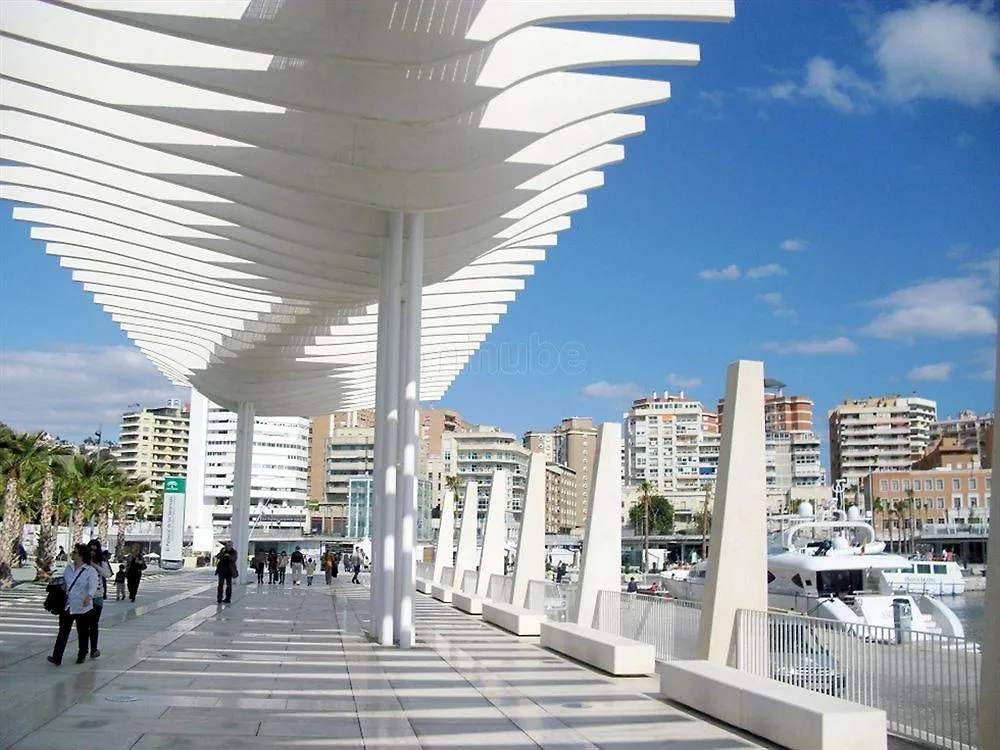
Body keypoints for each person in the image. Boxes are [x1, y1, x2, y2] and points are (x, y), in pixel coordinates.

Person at [48, 543, 98, 666]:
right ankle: (57, 657)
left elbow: (93, 585)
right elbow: (65, 582)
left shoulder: (90, 571)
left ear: (81, 555)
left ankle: (82, 654)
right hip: (68, 605)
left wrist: (89, 596)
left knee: (83, 631)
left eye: (75, 552)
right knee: (63, 631)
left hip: (82, 605)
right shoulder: (69, 567)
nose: (72, 554)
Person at [86, 539, 112, 658]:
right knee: (84, 625)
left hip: (97, 597)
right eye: (90, 550)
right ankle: (84, 648)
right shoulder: (83, 562)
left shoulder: (101, 563)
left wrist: (94, 565)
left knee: (94, 624)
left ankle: (94, 649)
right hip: (85, 597)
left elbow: (107, 574)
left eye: (95, 550)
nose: (92, 552)